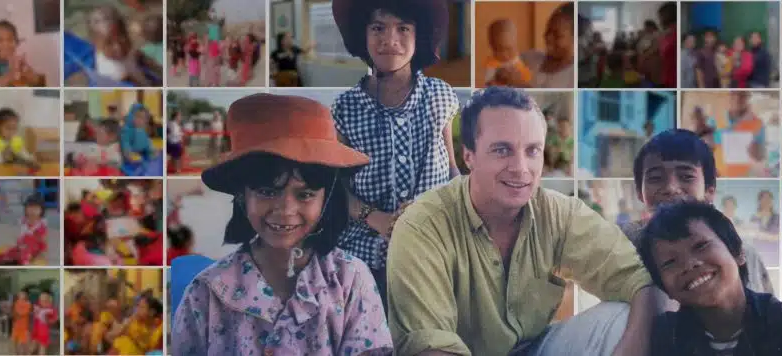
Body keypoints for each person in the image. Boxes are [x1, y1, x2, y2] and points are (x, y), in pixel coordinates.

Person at [387, 87, 659, 356]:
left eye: (532, 151)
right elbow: (430, 347)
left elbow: (635, 277)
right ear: (468, 155)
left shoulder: (557, 212)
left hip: (537, 349)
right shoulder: (422, 226)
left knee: (622, 317)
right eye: (502, 150)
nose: (520, 168)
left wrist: (633, 347)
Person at [172, 94, 392, 355]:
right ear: (243, 196)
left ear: (327, 198)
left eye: (305, 194)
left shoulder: (352, 281)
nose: (286, 210)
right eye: (267, 191)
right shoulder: (206, 293)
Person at [330, 0, 460, 303]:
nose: (390, 40)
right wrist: (377, 218)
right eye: (378, 28)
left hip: (435, 242)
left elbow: (452, 170)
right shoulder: (346, 107)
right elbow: (337, 184)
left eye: (403, 28)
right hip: (368, 249)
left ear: (420, 36)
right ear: (362, 34)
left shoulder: (440, 95)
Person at [637, 202, 782, 355]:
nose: (689, 265)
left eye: (701, 246)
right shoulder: (667, 333)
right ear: (664, 287)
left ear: (738, 252)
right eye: (670, 262)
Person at [626, 129, 775, 295]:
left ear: (709, 191)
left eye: (686, 177)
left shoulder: (743, 253)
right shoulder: (624, 248)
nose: (671, 188)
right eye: (655, 178)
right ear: (639, 192)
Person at [496, 3, 575, 88]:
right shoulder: (530, 58)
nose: (548, 38)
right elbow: (500, 69)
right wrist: (501, 73)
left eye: (557, 35)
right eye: (548, 30)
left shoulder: (575, 77)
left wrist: (521, 85)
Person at [0, 20, 45, 87]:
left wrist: (27, 71)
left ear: (16, 43)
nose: (5, 44)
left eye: (10, 39)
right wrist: (10, 74)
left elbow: (36, 80)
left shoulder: (18, 61)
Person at [484, 19, 532, 86]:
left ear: (516, 44)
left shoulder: (520, 59)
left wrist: (521, 80)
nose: (504, 54)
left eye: (509, 49)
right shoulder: (491, 63)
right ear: (491, 46)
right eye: (498, 50)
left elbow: (527, 81)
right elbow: (488, 84)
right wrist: (497, 79)